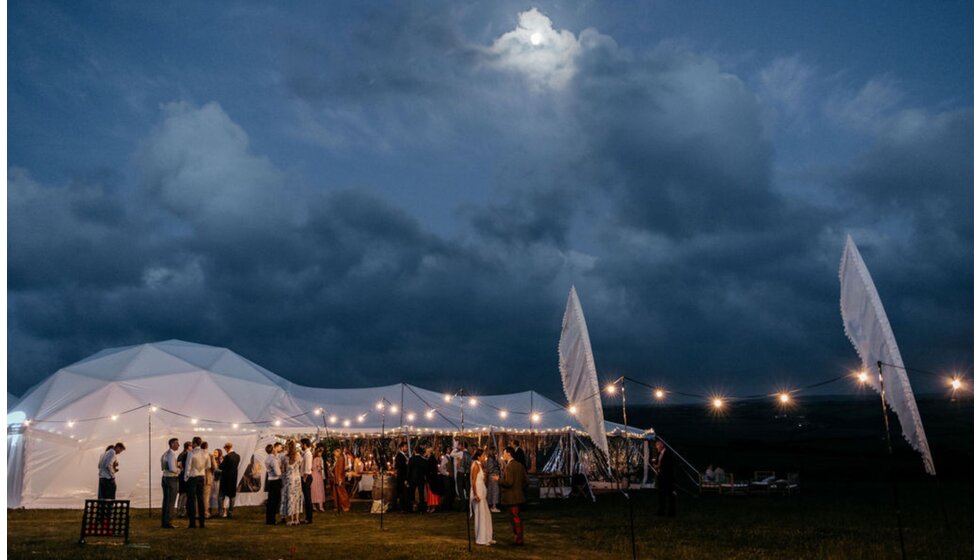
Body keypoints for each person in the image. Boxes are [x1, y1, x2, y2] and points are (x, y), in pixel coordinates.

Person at [498, 446, 528, 545]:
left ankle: (519, 539)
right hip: (519, 496)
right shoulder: (520, 465)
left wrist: (498, 480)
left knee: (515, 518)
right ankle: (518, 537)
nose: (503, 455)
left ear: (509, 454)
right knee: (517, 517)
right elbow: (526, 481)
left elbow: (509, 482)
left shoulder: (509, 466)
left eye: (504, 453)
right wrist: (519, 488)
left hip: (512, 497)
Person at [184, 436, 208, 529]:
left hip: (192, 477)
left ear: (194, 443)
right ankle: (202, 522)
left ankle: (192, 523)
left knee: (191, 500)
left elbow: (188, 466)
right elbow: (207, 466)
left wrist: (186, 477)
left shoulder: (191, 453)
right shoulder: (205, 453)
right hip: (201, 477)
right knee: (201, 500)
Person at [471, 448, 494, 546]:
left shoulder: (480, 465)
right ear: (478, 456)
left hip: (482, 493)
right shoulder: (475, 465)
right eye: (483, 455)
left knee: (487, 515)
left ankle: (488, 537)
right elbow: (473, 481)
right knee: (481, 516)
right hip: (478, 494)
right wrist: (475, 494)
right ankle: (481, 539)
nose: (485, 457)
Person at [281, 440, 304, 526]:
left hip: (289, 479)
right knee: (297, 499)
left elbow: (283, 470)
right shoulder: (298, 456)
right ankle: (297, 519)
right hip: (297, 479)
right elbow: (301, 465)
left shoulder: (285, 457)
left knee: (290, 499)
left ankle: (291, 519)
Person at [160, 438, 180, 529]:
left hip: (165, 477)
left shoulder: (165, 454)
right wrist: (179, 470)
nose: (178, 445)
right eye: (177, 443)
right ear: (172, 444)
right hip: (171, 478)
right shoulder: (171, 454)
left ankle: (164, 521)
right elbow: (172, 468)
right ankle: (168, 522)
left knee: (166, 500)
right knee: (171, 501)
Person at [653, 438, 676, 517]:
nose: (656, 447)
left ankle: (671, 512)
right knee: (661, 495)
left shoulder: (668, 453)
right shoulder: (659, 454)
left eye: (657, 445)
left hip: (668, 478)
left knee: (669, 495)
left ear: (662, 445)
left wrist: (659, 466)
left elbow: (668, 465)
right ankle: (661, 511)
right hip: (661, 477)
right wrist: (655, 465)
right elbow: (658, 463)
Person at [218, 442, 240, 518]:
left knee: (221, 496)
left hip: (225, 479)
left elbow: (221, 467)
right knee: (232, 496)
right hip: (233, 478)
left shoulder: (227, 457)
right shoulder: (238, 456)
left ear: (227, 448)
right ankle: (230, 513)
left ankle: (221, 513)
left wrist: (221, 461)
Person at [264, 443, 282, 525]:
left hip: (270, 480)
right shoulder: (273, 459)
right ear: (272, 449)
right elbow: (278, 472)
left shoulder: (267, 458)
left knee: (270, 501)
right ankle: (272, 519)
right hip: (275, 481)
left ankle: (269, 519)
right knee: (274, 501)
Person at [407, 445, 428, 513]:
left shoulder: (411, 459)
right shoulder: (423, 460)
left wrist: (407, 479)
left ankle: (410, 508)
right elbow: (425, 471)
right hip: (421, 479)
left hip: (413, 479)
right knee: (421, 494)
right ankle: (422, 509)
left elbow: (409, 470)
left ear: (415, 451)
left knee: (411, 493)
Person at [300, 438, 314, 524]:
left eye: (301, 444)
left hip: (307, 477)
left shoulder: (308, 454)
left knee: (308, 498)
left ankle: (309, 518)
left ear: (305, 444)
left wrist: (304, 478)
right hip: (306, 477)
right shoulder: (305, 453)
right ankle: (307, 517)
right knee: (306, 498)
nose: (301, 446)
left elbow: (308, 468)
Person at [424, 445, 441, 513]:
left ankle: (433, 505)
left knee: (432, 493)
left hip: (432, 479)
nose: (426, 452)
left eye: (427, 451)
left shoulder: (432, 459)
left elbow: (432, 469)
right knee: (429, 492)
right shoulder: (428, 458)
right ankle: (430, 505)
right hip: (429, 478)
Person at [176, 441, 191, 517]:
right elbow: (180, 465)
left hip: (181, 476)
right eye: (191, 446)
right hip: (184, 477)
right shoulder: (185, 454)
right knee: (184, 494)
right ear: (188, 447)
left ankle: (180, 510)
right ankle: (181, 511)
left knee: (182, 494)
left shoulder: (181, 454)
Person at [394, 441, 410, 512]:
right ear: (401, 448)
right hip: (401, 477)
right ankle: (402, 508)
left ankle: (404, 507)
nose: (406, 448)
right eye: (405, 447)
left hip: (403, 477)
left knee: (404, 493)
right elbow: (400, 467)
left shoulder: (404, 455)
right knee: (402, 493)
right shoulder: (399, 456)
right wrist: (406, 464)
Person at [201, 442, 215, 519]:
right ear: (207, 447)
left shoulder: (196, 454)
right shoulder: (210, 455)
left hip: (198, 478)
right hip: (207, 478)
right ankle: (205, 513)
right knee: (206, 497)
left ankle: (197, 513)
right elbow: (215, 467)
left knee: (198, 497)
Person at [439, 447, 455, 511]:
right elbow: (441, 468)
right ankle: (446, 506)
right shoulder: (445, 458)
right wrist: (447, 473)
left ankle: (449, 505)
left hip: (450, 477)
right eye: (448, 449)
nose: (449, 450)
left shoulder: (451, 457)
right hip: (447, 477)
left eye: (449, 449)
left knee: (450, 491)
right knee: (447, 491)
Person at [485, 447, 501, 513]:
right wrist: (496, 467)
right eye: (495, 451)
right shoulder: (491, 459)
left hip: (493, 475)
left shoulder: (493, 458)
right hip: (493, 475)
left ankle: (492, 505)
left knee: (492, 490)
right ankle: (493, 506)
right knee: (495, 490)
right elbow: (490, 468)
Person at [311, 446, 326, 512]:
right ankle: (315, 505)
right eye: (320, 452)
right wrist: (319, 468)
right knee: (315, 490)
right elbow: (314, 467)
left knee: (318, 490)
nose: (321, 454)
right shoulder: (316, 458)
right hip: (315, 475)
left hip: (317, 475)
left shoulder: (319, 458)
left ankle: (320, 506)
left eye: (321, 453)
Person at [210, 449, 223, 514]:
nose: (214, 453)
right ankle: (210, 510)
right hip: (212, 479)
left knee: (218, 495)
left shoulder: (220, 461)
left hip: (218, 480)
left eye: (216, 452)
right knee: (211, 495)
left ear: (219, 454)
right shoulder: (211, 460)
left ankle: (220, 511)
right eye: (214, 452)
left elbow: (220, 469)